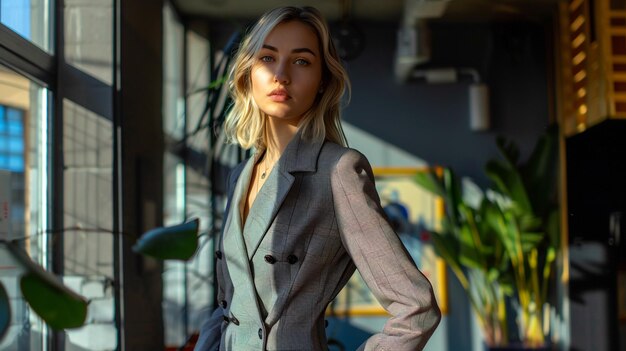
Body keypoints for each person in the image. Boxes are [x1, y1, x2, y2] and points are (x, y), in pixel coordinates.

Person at [195, 6, 441, 351]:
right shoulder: (242, 175)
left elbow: (417, 307)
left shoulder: (338, 171)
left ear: (323, 79)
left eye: (301, 61)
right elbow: (227, 307)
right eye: (268, 58)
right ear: (248, 71)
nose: (281, 74)